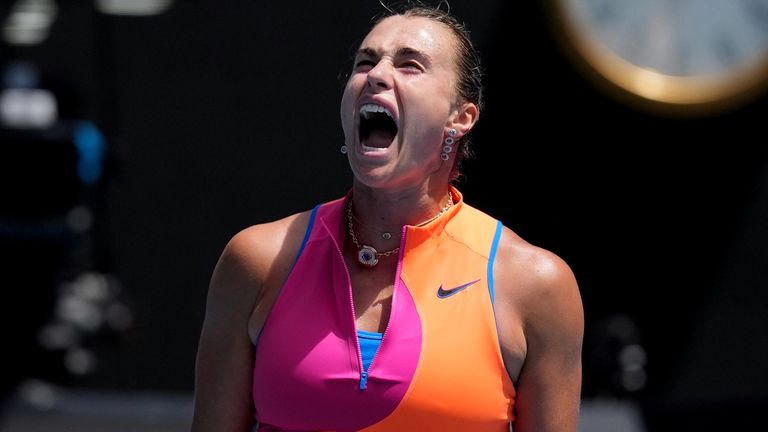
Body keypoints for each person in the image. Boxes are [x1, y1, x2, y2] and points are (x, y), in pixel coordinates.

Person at [191, 4, 583, 431]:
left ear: (461, 117)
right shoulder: (256, 260)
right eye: (365, 62)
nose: (376, 75)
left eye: (410, 65)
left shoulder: (536, 285)